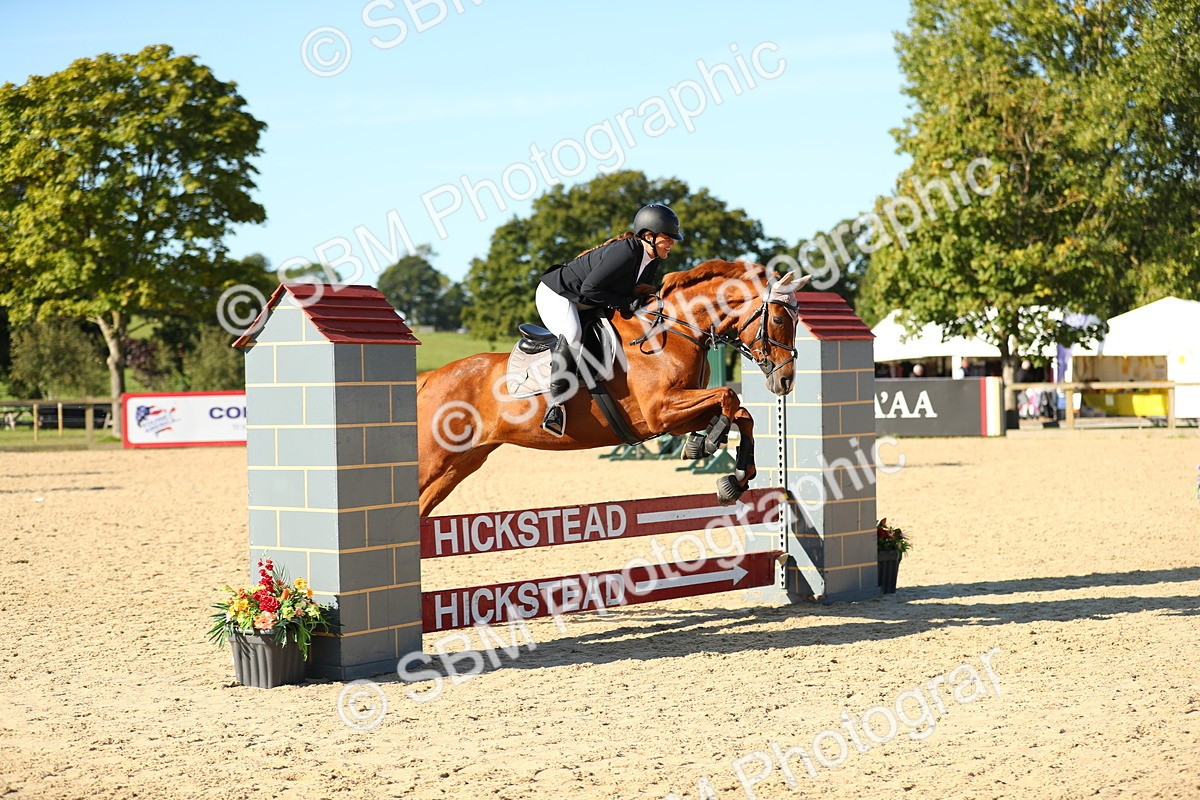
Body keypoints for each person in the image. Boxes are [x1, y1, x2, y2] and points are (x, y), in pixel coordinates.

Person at [535, 203, 683, 436]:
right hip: (558, 295)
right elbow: (590, 288)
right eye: (668, 238)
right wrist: (625, 304)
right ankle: (555, 406)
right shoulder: (627, 251)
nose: (672, 243)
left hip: (587, 300)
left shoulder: (651, 261)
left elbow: (635, 295)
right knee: (573, 333)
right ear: (649, 236)